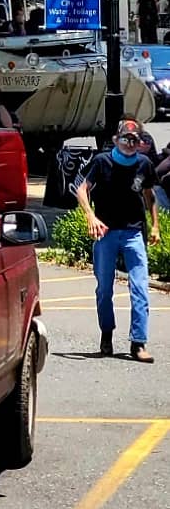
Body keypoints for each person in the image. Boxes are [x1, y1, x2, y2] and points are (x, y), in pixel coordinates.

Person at [75, 119, 160, 362]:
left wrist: (155, 226)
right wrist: (90, 216)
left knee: (140, 287)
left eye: (135, 139)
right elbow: (82, 189)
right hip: (106, 232)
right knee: (104, 289)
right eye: (126, 138)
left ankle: (138, 343)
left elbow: (150, 195)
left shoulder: (144, 164)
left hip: (134, 232)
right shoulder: (103, 161)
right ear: (116, 140)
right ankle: (106, 334)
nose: (130, 143)